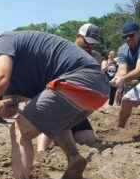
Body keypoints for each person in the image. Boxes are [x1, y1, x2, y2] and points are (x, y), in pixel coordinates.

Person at [0, 30, 109, 179]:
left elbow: (1, 78)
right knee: (49, 121)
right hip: (98, 90)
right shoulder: (13, 68)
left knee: (18, 131)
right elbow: (14, 109)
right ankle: (74, 158)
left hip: (80, 79)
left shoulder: (1, 43)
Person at [36, 23, 103, 152]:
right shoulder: (61, 52)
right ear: (78, 36)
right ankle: (41, 152)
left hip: (77, 107)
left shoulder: (95, 57)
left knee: (88, 140)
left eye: (92, 43)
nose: (89, 46)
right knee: (52, 127)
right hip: (57, 102)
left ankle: (63, 138)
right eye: (87, 42)